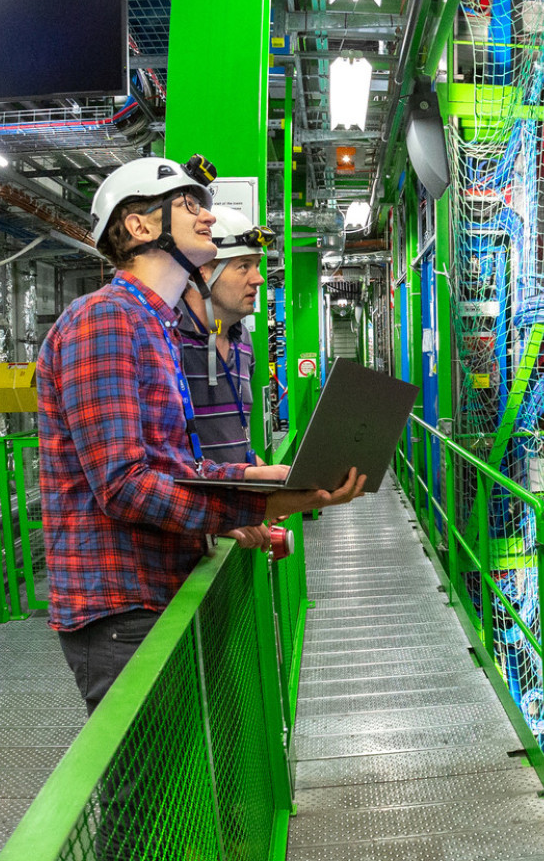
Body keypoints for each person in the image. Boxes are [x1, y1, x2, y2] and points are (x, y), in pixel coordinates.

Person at [36, 156, 365, 714]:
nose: (207, 216)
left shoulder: (153, 325)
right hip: (123, 605)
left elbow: (176, 467)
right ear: (139, 225)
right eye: (189, 205)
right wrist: (258, 506)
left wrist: (264, 479)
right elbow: (124, 486)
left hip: (157, 592)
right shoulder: (105, 320)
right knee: (149, 771)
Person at [175, 204, 273, 467]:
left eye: (257, 265)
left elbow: (233, 441)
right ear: (203, 271)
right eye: (243, 266)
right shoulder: (168, 338)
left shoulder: (243, 341)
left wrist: (260, 472)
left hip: (237, 490)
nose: (259, 279)